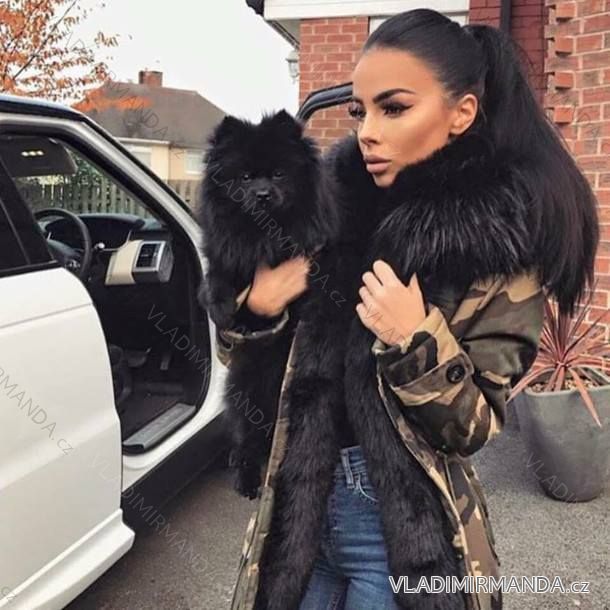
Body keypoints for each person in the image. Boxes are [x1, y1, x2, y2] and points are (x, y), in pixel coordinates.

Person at [215, 9, 599, 610]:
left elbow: (474, 427)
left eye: (393, 109)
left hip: (394, 530)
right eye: (360, 111)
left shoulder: (497, 246)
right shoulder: (328, 208)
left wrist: (414, 338)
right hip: (294, 512)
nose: (368, 131)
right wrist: (256, 311)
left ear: (461, 113)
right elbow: (250, 360)